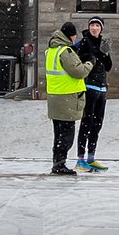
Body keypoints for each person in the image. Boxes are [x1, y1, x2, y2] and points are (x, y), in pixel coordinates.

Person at [44, 22, 94, 176]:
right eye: (74, 35)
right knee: (66, 135)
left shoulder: (51, 50)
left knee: (58, 133)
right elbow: (78, 71)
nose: (75, 38)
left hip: (55, 97)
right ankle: (60, 165)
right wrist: (89, 63)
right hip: (67, 98)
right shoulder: (65, 51)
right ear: (68, 35)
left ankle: (57, 163)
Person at [74, 16, 113, 172]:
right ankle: (80, 159)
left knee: (97, 124)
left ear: (101, 28)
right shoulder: (83, 43)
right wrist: (92, 57)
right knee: (86, 123)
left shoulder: (103, 44)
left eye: (97, 25)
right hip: (89, 86)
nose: (94, 28)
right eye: (92, 25)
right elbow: (77, 60)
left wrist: (104, 54)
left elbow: (109, 66)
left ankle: (91, 157)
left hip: (102, 88)